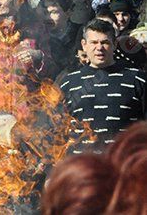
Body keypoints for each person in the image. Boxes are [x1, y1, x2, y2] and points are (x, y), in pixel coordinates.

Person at [58, 20, 147, 154]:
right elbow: (57, 131)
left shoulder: (138, 80)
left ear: (115, 45)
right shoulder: (68, 83)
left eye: (105, 42)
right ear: (84, 45)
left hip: (123, 169)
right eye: (94, 42)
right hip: (81, 169)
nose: (99, 48)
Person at [42, 0, 83, 76]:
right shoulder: (39, 37)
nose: (48, 18)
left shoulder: (81, 34)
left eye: (54, 12)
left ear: (68, 13)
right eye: (45, 13)